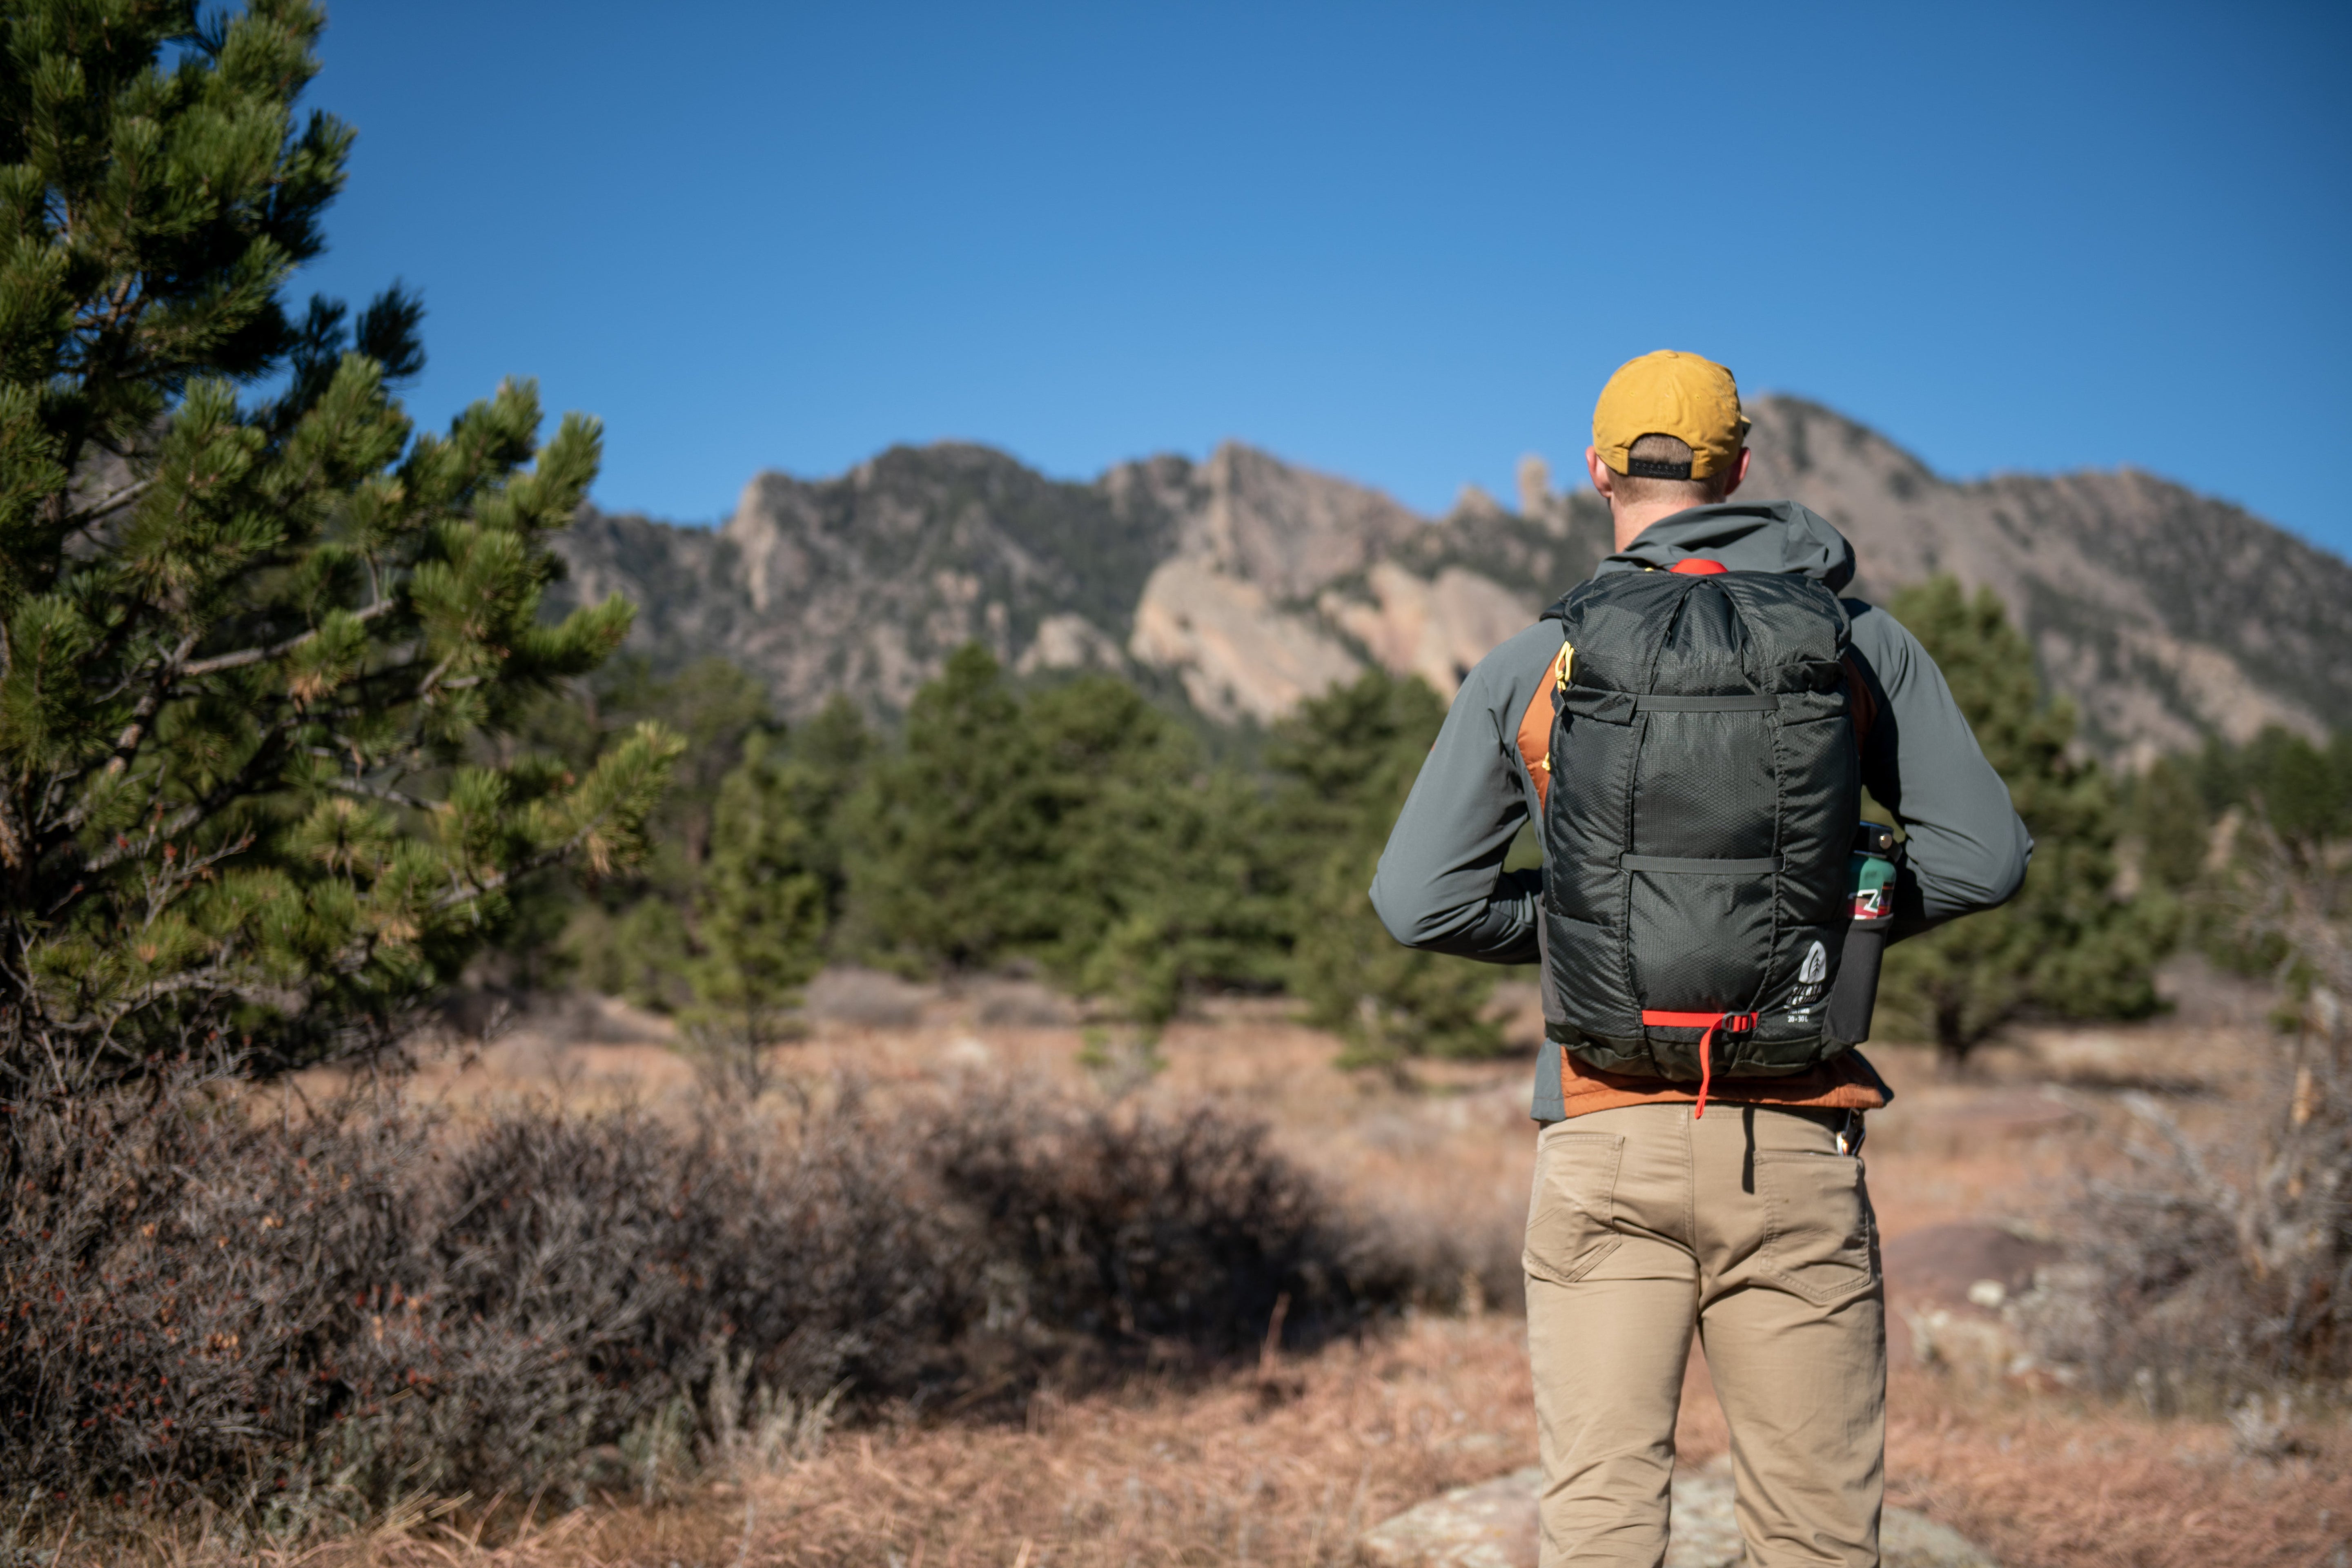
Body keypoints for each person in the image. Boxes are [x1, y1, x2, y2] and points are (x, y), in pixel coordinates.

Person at [1369, 350, 2030, 1568]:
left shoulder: (1542, 661)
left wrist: (1578, 925)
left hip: (1605, 1132)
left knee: (1605, 1527)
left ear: (1599, 472)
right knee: (1818, 1538)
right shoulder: (1859, 644)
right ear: (1742, 469)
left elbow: (1417, 902)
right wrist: (1838, 924)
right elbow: (1985, 859)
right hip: (1794, 1141)